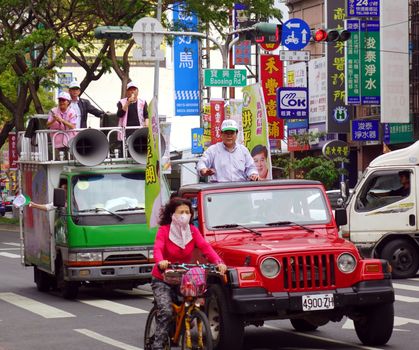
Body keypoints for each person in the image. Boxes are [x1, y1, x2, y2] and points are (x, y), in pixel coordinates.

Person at [151, 197, 227, 350]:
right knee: (166, 311)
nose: (185, 215)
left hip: (184, 278)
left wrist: (219, 263)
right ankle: (157, 345)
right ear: (172, 214)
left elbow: (206, 248)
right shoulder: (164, 230)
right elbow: (157, 249)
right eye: (181, 212)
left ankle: (180, 331)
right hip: (163, 278)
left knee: (192, 307)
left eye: (187, 212)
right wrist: (161, 262)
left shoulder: (193, 231)